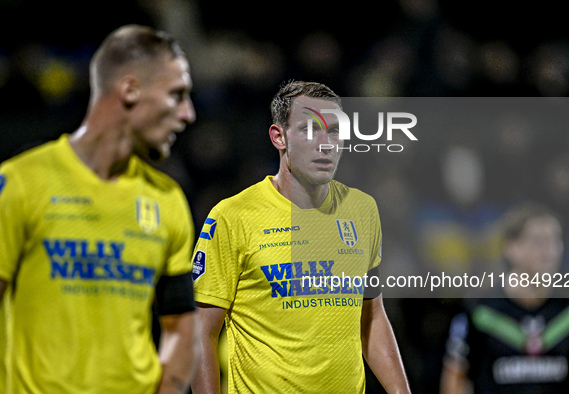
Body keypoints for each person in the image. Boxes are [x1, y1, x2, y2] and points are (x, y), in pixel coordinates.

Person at [0, 25, 198, 393]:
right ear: (130, 89)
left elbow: (180, 328)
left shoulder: (167, 200)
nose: (188, 115)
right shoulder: (20, 183)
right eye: (177, 96)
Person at [191, 80, 411, 393]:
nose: (325, 143)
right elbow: (201, 331)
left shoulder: (362, 210)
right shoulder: (232, 217)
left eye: (334, 131)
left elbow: (372, 317)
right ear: (279, 137)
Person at [440, 201, 569, 394]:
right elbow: (455, 378)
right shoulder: (480, 311)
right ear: (510, 248)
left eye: (555, 240)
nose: (549, 251)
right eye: (538, 241)